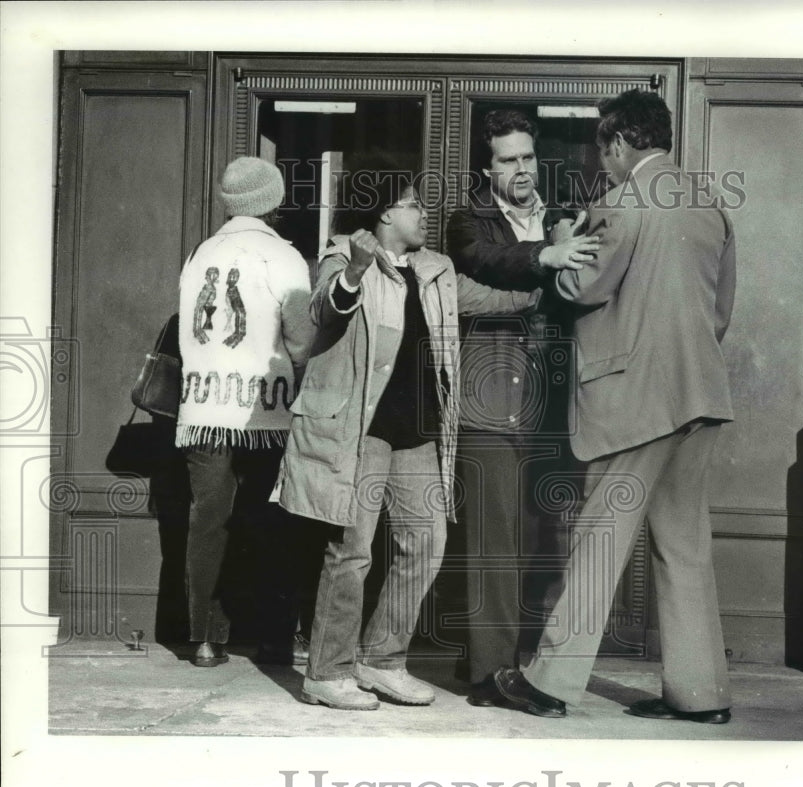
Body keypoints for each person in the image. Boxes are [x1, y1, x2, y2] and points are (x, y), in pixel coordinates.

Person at [493, 90, 738, 723]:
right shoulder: (709, 205)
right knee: (684, 546)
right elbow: (720, 311)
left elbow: (578, 283)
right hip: (702, 395)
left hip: (635, 400)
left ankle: (548, 684)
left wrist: (561, 234)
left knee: (600, 539)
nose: (603, 164)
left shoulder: (621, 204)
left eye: (604, 151)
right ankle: (701, 695)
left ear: (621, 144)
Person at [274, 167, 541, 711]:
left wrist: (550, 279)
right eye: (414, 204)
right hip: (361, 431)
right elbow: (326, 308)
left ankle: (381, 660)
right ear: (385, 213)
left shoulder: (435, 269)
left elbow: (492, 300)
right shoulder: (343, 257)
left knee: (426, 544)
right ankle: (326, 672)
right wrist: (355, 270)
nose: (424, 215)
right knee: (351, 555)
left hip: (418, 434)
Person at [446, 109, 600, 706]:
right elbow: (485, 263)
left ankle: (521, 663)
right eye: (508, 160)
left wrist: (556, 252)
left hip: (552, 400)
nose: (521, 170)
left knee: (542, 537)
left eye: (528, 158)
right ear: (487, 167)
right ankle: (490, 675)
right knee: (491, 541)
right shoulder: (468, 221)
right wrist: (546, 261)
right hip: (488, 402)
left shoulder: (563, 218)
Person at [176, 156, 319, 668]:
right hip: (265, 415)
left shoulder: (199, 253)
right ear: (274, 202)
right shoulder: (284, 258)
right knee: (273, 523)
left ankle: (205, 640)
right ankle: (275, 639)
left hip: (202, 412)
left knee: (207, 523)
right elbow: (302, 345)